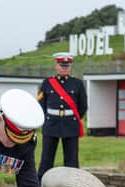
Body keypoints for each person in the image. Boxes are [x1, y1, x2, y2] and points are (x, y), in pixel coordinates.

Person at [37, 52, 87, 180]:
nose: (64, 68)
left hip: (70, 124)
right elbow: (41, 105)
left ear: (70, 67)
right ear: (56, 66)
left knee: (71, 161)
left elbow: (83, 106)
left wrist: (73, 118)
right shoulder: (47, 83)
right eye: (62, 65)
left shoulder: (77, 84)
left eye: (67, 65)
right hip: (51, 124)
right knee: (46, 160)